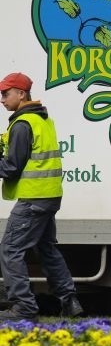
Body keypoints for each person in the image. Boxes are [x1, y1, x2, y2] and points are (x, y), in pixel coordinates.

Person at [0, 72, 83, 322]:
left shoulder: (23, 124)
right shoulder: (43, 120)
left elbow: (12, 167)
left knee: (10, 249)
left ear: (21, 94)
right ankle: (70, 301)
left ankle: (23, 307)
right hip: (50, 197)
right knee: (46, 249)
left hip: (33, 200)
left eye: (6, 94)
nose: (2, 99)